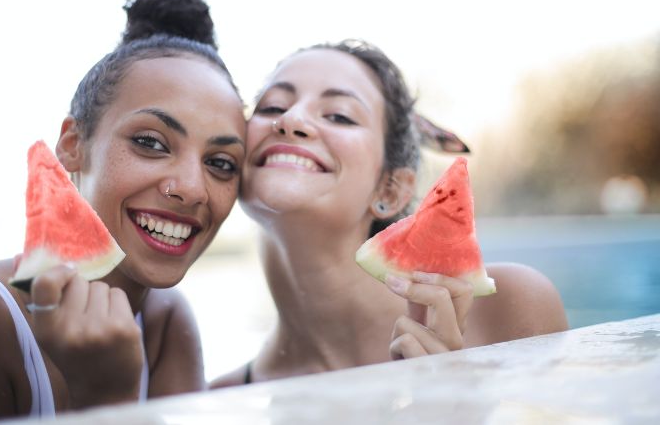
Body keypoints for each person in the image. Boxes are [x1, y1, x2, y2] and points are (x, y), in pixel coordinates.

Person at [0, 0, 246, 423]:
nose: (192, 188)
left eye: (220, 163)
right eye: (151, 142)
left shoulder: (165, 321)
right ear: (73, 144)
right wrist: (105, 400)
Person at [211, 39, 568, 387]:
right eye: (271, 107)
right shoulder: (223, 398)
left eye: (339, 115)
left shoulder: (511, 308)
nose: (290, 119)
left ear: (390, 190)